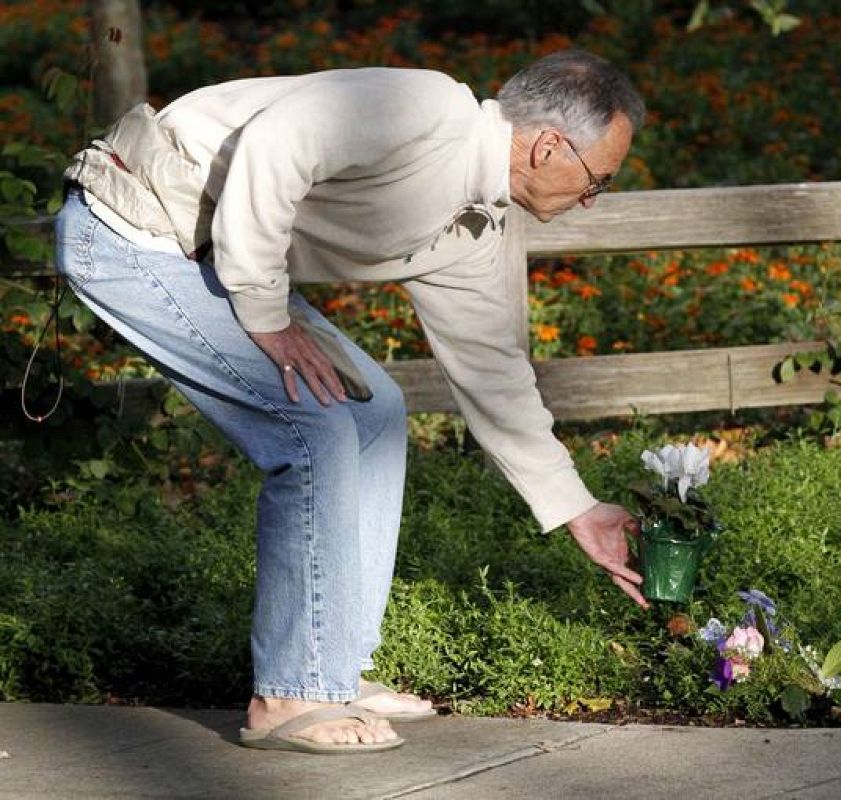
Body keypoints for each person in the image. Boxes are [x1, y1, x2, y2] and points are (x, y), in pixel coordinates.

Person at [55, 48, 647, 754]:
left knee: (373, 414)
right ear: (549, 146)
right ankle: (289, 694)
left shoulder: (476, 223)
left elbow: (495, 374)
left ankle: (331, 665)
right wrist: (268, 315)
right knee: (314, 429)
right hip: (131, 229)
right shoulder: (426, 109)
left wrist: (577, 506)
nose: (590, 199)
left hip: (206, 251)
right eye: (597, 182)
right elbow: (279, 143)